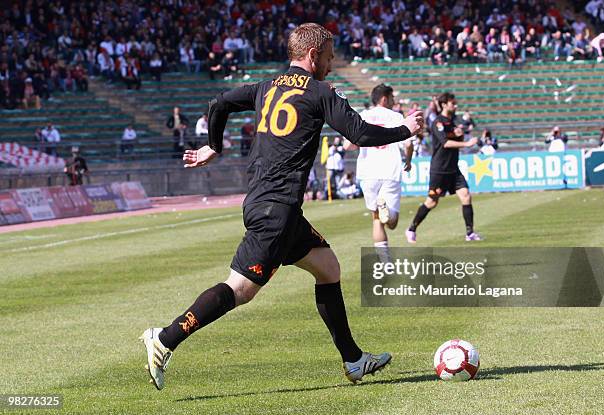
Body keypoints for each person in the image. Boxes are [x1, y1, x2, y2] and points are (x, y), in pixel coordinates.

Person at [140, 22, 424, 390]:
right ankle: (164, 338)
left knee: (328, 268)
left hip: (274, 206)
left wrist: (215, 145)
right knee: (240, 289)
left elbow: (220, 102)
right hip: (276, 211)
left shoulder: (265, 86)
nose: (332, 62)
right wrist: (406, 129)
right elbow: (361, 134)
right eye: (329, 55)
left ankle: (353, 360)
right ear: (312, 54)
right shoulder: (321, 92)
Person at [344, 84, 413, 263]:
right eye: (391, 98)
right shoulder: (396, 116)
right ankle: (387, 210)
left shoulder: (362, 116)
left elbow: (348, 146)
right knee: (392, 222)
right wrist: (409, 160)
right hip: (390, 170)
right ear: (384, 99)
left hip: (368, 172)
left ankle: (385, 263)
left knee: (376, 218)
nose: (393, 102)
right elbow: (408, 143)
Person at [406, 91, 481, 244]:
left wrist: (459, 133)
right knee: (432, 202)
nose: (456, 105)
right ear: (445, 104)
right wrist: (466, 143)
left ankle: (470, 233)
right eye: (453, 103)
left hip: (453, 169)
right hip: (439, 170)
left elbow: (455, 135)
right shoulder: (438, 123)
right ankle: (411, 229)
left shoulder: (452, 121)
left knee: (466, 196)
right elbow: (445, 143)